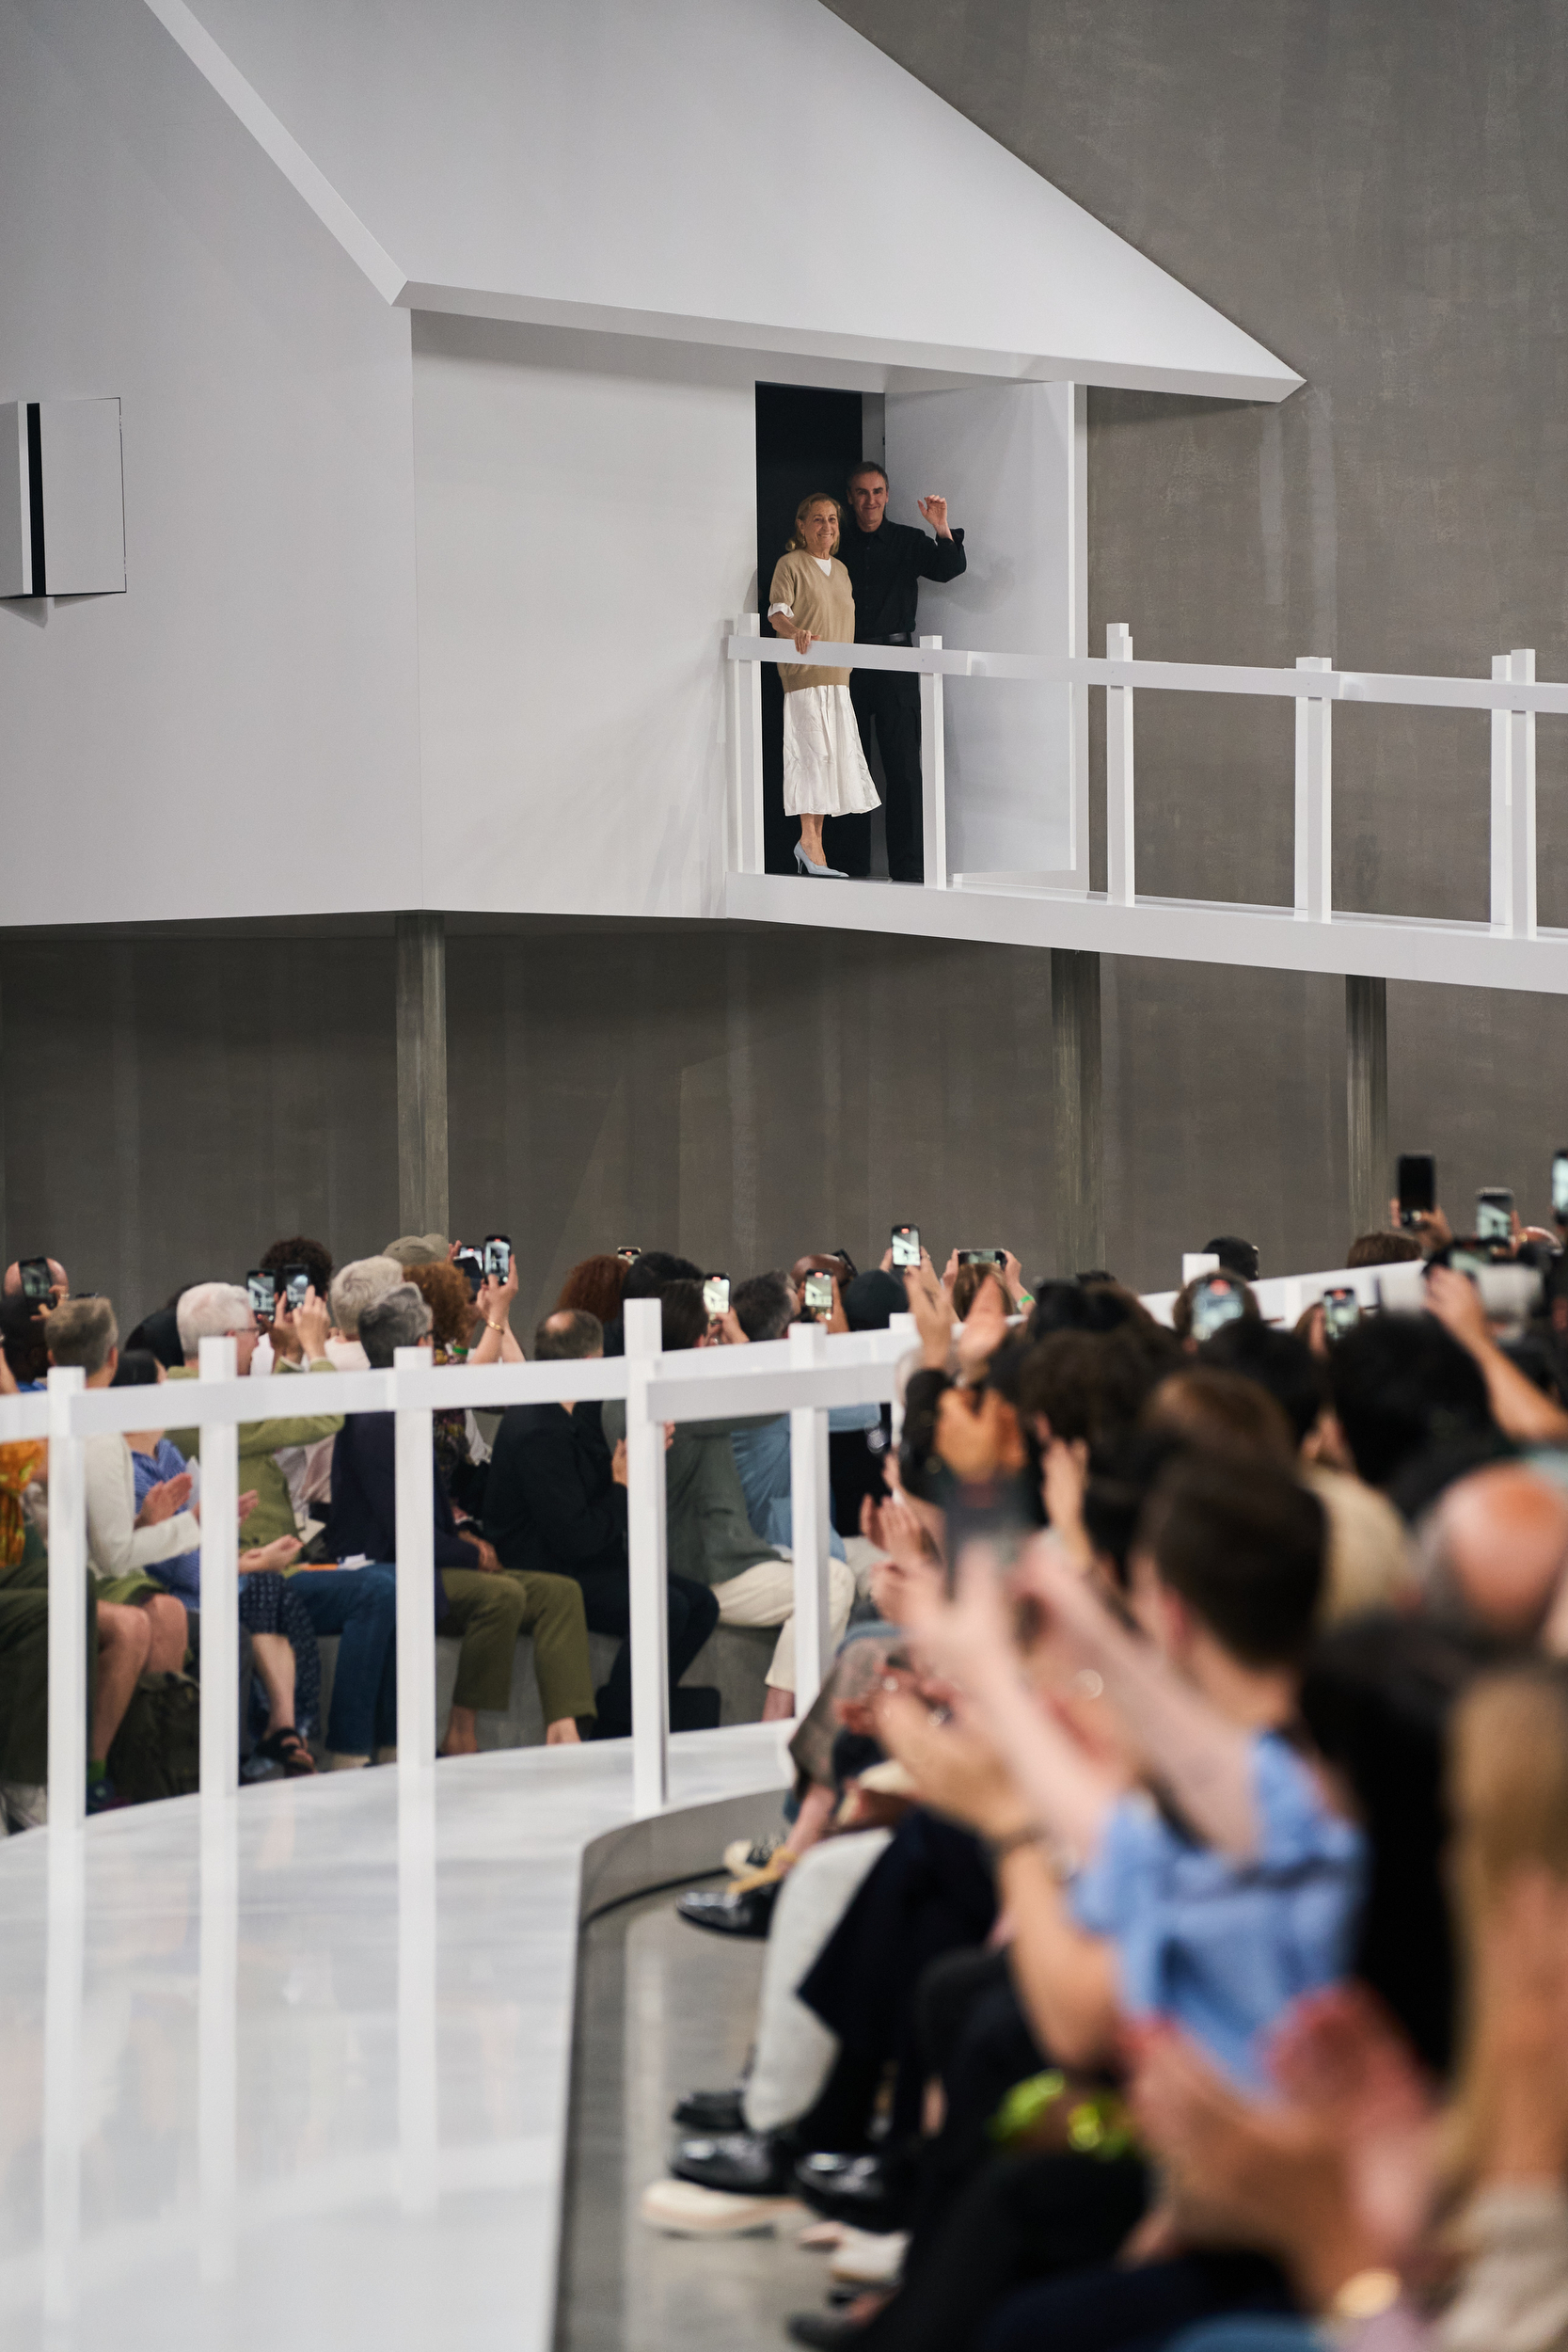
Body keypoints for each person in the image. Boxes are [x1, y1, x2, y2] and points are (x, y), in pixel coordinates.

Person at [329, 1285, 595, 1751]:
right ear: (415, 1347)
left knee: (559, 1593)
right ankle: (461, 1728)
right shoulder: (374, 1419)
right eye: (432, 1338)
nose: (441, 1348)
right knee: (502, 1596)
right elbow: (403, 1534)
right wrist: (467, 1552)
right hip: (395, 1568)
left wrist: (465, 1540)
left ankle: (564, 1727)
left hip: (437, 1555)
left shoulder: (409, 1407)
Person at [483, 1308, 720, 1737]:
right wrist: (623, 1486)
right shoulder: (541, 1429)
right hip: (549, 1568)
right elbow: (579, 1537)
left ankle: (625, 1708)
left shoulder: (565, 1416)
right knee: (669, 1604)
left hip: (579, 1554)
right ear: (594, 1365)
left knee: (701, 1603)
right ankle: (619, 1722)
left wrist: (633, 1466)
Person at [832, 461, 967, 882]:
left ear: (887, 496)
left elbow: (949, 568)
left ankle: (909, 872)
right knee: (849, 766)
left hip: (897, 663)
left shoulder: (908, 540)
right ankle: (849, 867)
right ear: (850, 498)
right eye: (861, 492)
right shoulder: (836, 543)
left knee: (904, 768)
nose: (870, 500)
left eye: (877, 492)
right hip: (848, 662)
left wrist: (942, 526)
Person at [768, 491, 879, 878]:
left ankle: (814, 846)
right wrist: (795, 631)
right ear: (802, 525)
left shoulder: (843, 570)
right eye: (818, 519)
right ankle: (809, 844)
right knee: (810, 755)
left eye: (832, 519)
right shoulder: (791, 564)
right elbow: (777, 612)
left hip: (838, 679)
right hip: (804, 677)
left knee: (831, 760)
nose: (826, 526)